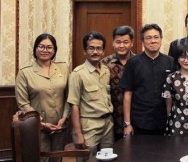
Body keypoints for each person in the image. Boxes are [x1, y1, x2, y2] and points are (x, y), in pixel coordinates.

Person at [15, 33, 69, 162]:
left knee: (57, 159)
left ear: (54, 50)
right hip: (37, 128)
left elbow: (69, 96)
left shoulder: (63, 68)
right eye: (41, 46)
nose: (45, 50)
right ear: (35, 49)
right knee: (40, 159)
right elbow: (23, 103)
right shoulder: (25, 72)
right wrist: (42, 124)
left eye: (49, 47)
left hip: (60, 127)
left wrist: (64, 117)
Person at [120, 24, 175, 136]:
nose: (153, 41)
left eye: (156, 37)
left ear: (161, 39)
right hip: (140, 121)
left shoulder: (170, 61)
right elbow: (127, 93)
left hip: (164, 120)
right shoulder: (133, 62)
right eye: (148, 38)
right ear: (143, 41)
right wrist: (127, 123)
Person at [67, 31, 113, 161]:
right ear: (84, 51)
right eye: (91, 48)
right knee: (87, 159)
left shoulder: (106, 71)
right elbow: (74, 105)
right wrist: (78, 134)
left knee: (108, 159)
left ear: (103, 51)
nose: (95, 52)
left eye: (99, 48)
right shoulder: (78, 74)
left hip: (108, 124)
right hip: (89, 126)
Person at [101, 25, 135, 142]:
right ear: (113, 43)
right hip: (110, 117)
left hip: (134, 117)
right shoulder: (104, 63)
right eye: (118, 42)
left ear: (132, 43)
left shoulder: (138, 62)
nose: (122, 45)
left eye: (125, 42)